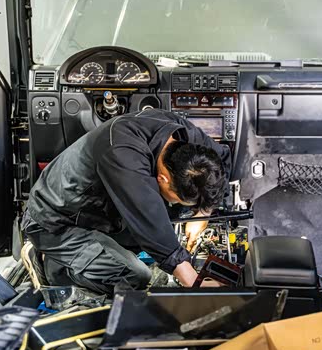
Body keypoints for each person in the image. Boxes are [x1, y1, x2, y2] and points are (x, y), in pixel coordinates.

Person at [21, 109, 231, 294]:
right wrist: (193, 282)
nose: (181, 207)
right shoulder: (123, 155)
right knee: (134, 276)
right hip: (55, 222)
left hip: (98, 212)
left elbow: (224, 161)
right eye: (180, 201)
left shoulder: (189, 140)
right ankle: (53, 265)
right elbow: (149, 222)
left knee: (156, 237)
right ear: (163, 179)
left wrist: (202, 214)